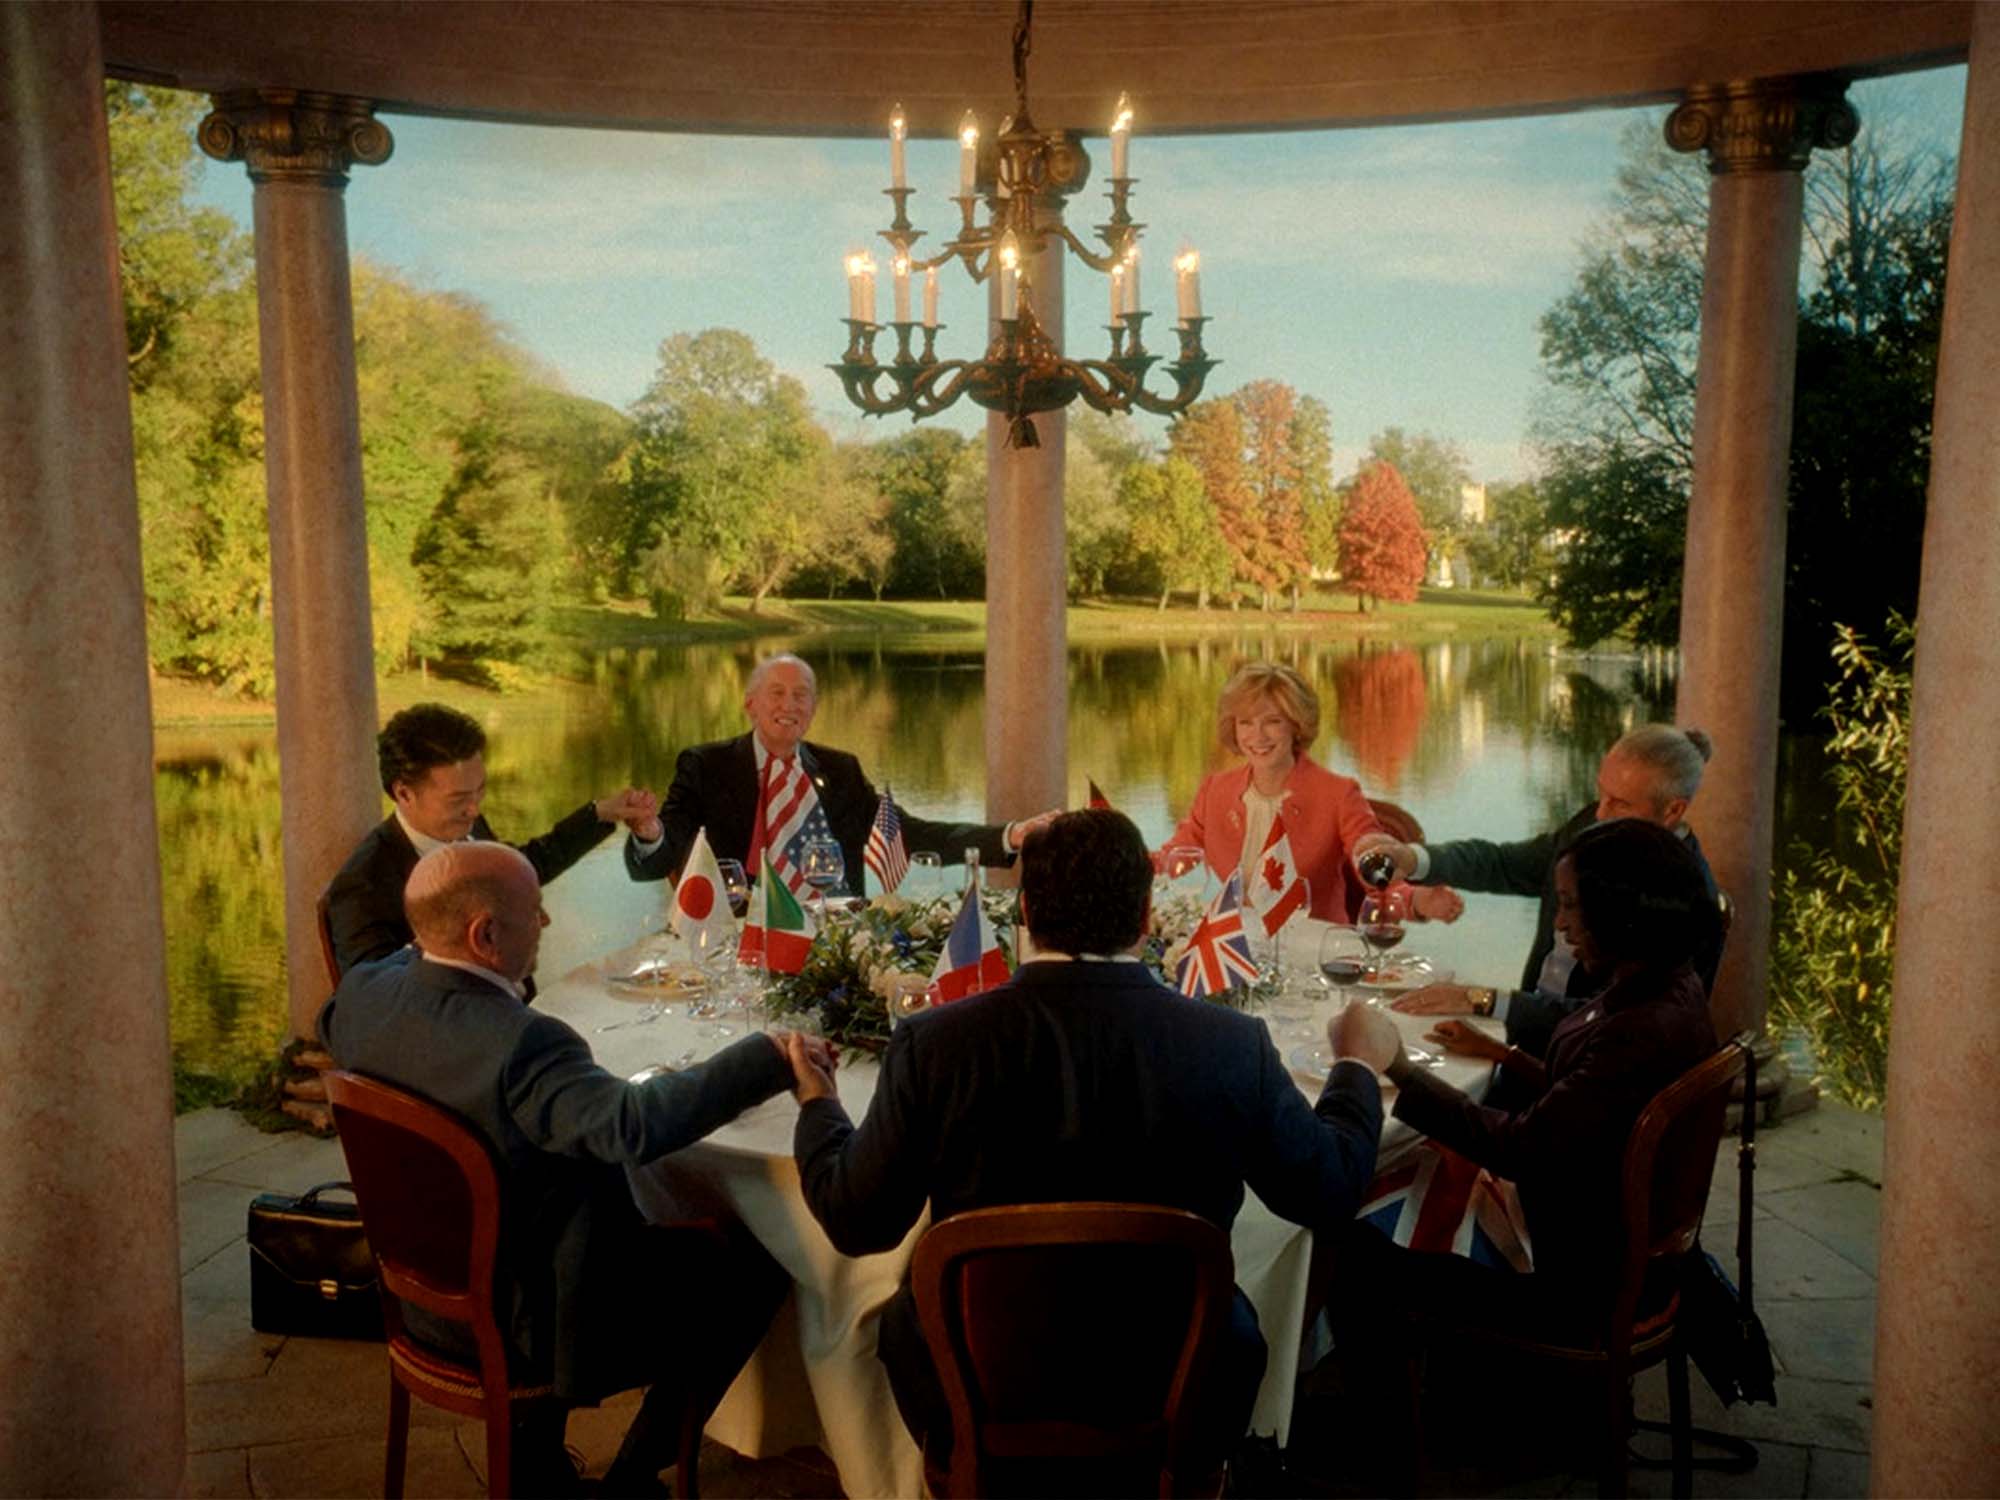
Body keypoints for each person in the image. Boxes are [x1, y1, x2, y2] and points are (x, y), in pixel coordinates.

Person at [784, 808, 1387, 1474]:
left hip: (977, 1390)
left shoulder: (936, 1046)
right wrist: (1356, 1066)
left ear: (1026, 911)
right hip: (1179, 1385)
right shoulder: (1229, 1046)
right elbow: (1330, 1191)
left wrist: (819, 1105)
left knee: (908, 1319)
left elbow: (857, 1221)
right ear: (1147, 916)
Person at [320, 841, 826, 1496]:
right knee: (757, 1260)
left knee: (560, 1191)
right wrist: (769, 1057)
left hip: (423, 1296)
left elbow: (347, 1012)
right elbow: (631, 1126)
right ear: (485, 935)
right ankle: (631, 1480)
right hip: (534, 1321)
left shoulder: (360, 995)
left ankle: (536, 1464)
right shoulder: (522, 1043)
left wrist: (424, 941)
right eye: (535, 910)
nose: (547, 922)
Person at [1327, 818, 1720, 1434]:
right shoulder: (1669, 985)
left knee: (1349, 1227)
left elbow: (1519, 1148)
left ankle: (1382, 1433)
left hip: (1575, 1280)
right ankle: (1445, 1391)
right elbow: (1592, 1104)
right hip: (1610, 1233)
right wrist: (1505, 1056)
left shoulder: (1639, 1029)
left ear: (1622, 914)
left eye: (1570, 907)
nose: (1559, 925)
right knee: (1414, 1166)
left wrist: (1396, 1066)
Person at [1383, 724, 1721, 1067]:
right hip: (1523, 1038)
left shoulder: (1685, 904)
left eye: (1619, 803)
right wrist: (1413, 860)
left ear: (1673, 811)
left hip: (1583, 1064)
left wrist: (1483, 1000)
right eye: (1601, 793)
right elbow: (1504, 864)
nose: (1600, 813)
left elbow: (1616, 1020)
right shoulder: (1595, 828)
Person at [624, 652, 1054, 891]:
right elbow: (657, 858)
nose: (789, 705)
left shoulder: (840, 770)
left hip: (835, 938)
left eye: (801, 696)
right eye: (777, 693)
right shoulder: (706, 765)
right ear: (750, 704)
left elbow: (910, 834)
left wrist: (1009, 835)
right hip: (741, 935)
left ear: (813, 708)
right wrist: (648, 833)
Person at [325, 702, 660, 978]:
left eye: (480, 791)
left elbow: (523, 866)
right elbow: (369, 994)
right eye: (458, 799)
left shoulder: (466, 825)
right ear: (403, 793)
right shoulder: (363, 885)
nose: (474, 809)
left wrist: (601, 814)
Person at [1158, 661, 1453, 923]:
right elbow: (1174, 858)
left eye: (1273, 721)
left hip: (1316, 952)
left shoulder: (1338, 794)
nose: (1257, 736)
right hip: (1237, 947)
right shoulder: (1215, 791)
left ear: (1296, 726)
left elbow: (1372, 864)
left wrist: (1416, 900)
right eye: (1245, 722)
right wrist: (1130, 862)